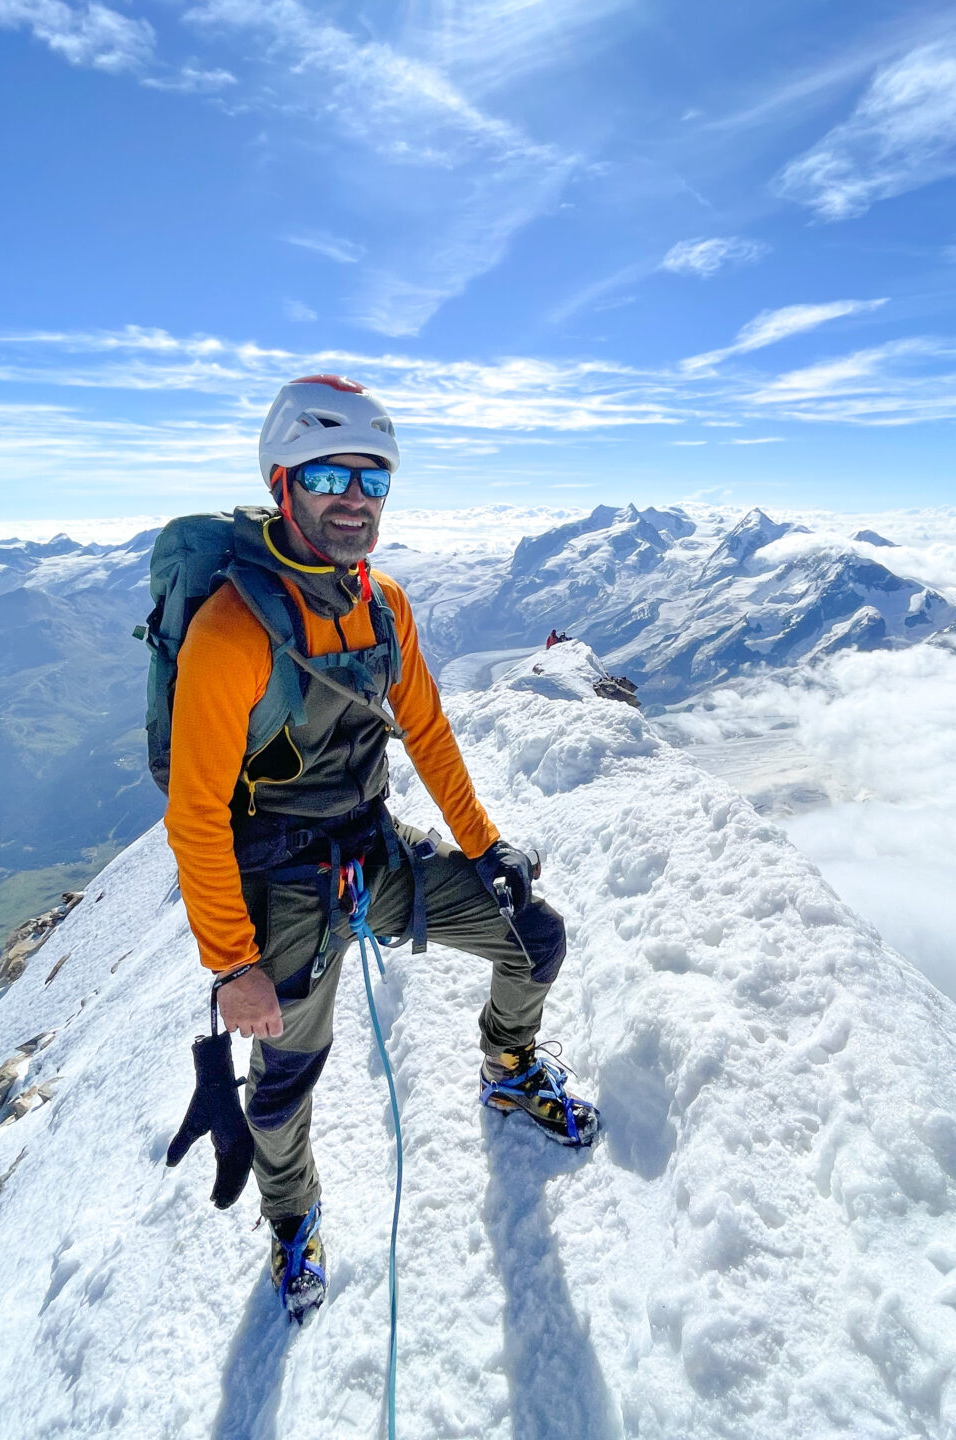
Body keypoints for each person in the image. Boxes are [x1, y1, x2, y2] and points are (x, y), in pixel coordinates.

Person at [162, 374, 599, 1320]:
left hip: (372, 851)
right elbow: (195, 815)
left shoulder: (384, 606)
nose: (354, 499)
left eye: (374, 480)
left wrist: (487, 851)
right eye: (329, 473)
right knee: (281, 1087)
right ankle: (292, 1218)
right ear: (283, 481)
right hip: (276, 888)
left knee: (536, 937)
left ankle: (509, 1068)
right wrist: (234, 964)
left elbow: (429, 736)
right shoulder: (230, 632)